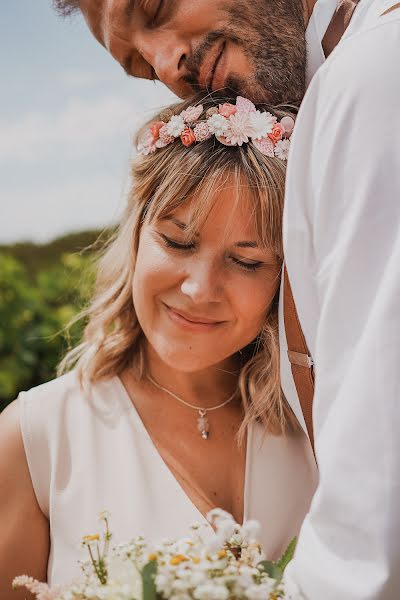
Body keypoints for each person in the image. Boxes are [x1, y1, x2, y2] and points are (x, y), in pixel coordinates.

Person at [53, 0, 400, 598]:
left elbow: (372, 527)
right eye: (140, 67)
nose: (167, 67)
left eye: (156, 6)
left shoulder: (370, 78)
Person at [0, 94, 318, 598]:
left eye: (248, 261)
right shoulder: (34, 439)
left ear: (284, 277)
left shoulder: (321, 428)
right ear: (136, 235)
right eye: (178, 242)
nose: (199, 288)